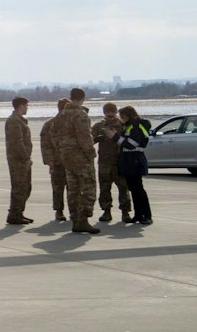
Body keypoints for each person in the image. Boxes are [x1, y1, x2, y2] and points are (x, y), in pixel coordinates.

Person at [57, 88, 100, 233]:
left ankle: (75, 218)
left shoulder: (62, 114)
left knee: (73, 189)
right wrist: (91, 154)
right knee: (89, 188)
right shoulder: (80, 114)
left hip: (67, 156)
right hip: (80, 157)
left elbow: (55, 135)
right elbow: (84, 137)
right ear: (82, 98)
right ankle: (83, 219)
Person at [92, 102, 133, 223]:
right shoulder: (99, 126)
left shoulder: (122, 125)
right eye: (107, 111)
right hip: (104, 162)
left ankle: (125, 212)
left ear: (116, 112)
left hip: (119, 161)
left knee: (123, 188)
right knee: (105, 188)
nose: (110, 114)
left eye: (112, 111)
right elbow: (90, 139)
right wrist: (99, 137)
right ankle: (106, 211)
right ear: (104, 112)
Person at [118, 105, 153, 224]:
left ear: (129, 115)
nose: (121, 118)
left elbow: (132, 143)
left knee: (138, 190)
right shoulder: (128, 126)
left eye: (122, 116)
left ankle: (147, 215)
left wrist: (115, 137)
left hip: (135, 161)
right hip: (129, 161)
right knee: (134, 189)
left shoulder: (136, 126)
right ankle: (138, 215)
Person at [4, 96, 33, 224]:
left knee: (26, 187)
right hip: (17, 159)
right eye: (26, 105)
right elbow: (18, 142)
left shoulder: (19, 120)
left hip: (21, 159)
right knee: (19, 187)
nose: (27, 108)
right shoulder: (14, 121)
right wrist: (26, 157)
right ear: (21, 105)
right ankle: (14, 215)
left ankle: (18, 213)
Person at [41, 98, 68, 222]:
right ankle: (59, 211)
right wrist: (49, 161)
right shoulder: (50, 124)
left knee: (74, 188)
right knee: (58, 187)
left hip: (72, 161)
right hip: (57, 161)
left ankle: (74, 211)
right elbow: (45, 144)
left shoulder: (71, 122)